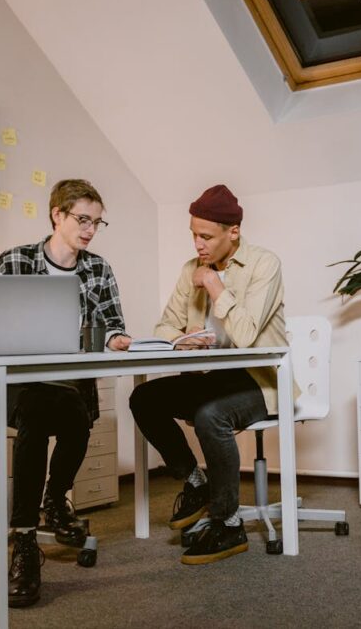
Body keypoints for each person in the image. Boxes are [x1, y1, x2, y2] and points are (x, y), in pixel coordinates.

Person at [0, 178, 131, 607]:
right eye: (82, 219)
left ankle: (54, 497)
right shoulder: (14, 261)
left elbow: (112, 321)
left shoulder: (98, 268)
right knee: (37, 413)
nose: (89, 229)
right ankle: (26, 540)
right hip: (16, 383)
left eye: (97, 222)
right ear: (57, 215)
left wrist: (117, 338)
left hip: (70, 384)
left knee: (75, 417)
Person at [129, 184, 290, 565]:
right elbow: (165, 324)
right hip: (212, 377)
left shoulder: (265, 265)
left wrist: (216, 286)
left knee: (210, 416)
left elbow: (248, 336)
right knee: (143, 398)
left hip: (260, 380)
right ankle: (194, 482)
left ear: (232, 232)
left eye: (206, 236)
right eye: (193, 235)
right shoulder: (190, 269)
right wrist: (181, 340)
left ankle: (228, 522)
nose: (198, 245)